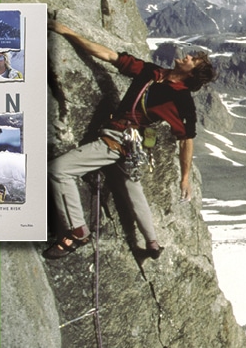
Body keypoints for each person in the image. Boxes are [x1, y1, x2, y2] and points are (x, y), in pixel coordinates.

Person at [44, 20, 216, 261]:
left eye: (192, 59)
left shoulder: (180, 100)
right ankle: (153, 243)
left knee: (58, 171)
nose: (186, 56)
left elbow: (186, 140)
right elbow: (107, 55)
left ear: (191, 73)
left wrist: (185, 177)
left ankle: (78, 231)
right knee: (133, 191)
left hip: (115, 141)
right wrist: (69, 32)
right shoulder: (152, 72)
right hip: (132, 147)